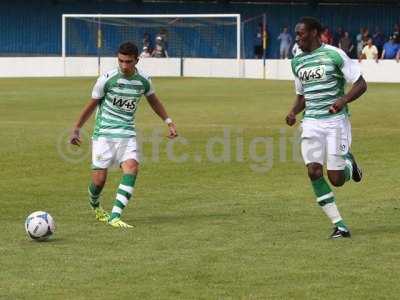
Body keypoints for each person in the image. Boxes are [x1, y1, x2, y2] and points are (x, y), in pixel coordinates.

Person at [70, 42, 178, 228]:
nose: (124, 65)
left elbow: (154, 101)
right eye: (121, 61)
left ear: (137, 60)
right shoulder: (106, 80)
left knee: (132, 168)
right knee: (99, 181)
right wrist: (77, 128)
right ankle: (95, 205)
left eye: (128, 61)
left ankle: (115, 216)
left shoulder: (144, 81)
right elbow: (92, 105)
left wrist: (168, 121)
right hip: (104, 133)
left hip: (127, 133)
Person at [286, 17, 367, 239]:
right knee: (313, 171)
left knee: (336, 179)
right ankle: (339, 225)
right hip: (311, 123)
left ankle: (350, 164)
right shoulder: (297, 62)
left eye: (301, 33)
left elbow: (361, 84)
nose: (297, 38)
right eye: (296, 34)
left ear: (314, 33)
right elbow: (302, 94)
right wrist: (293, 111)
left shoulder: (334, 54)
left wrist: (343, 100)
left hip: (336, 122)